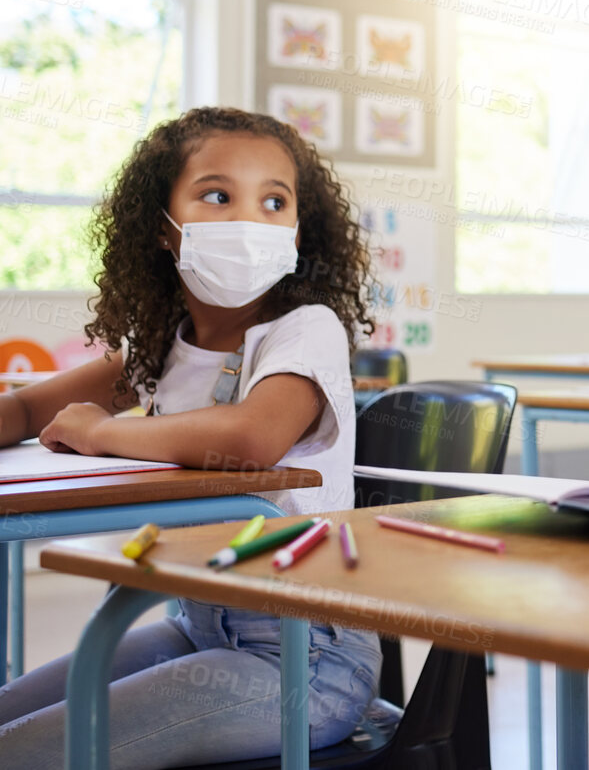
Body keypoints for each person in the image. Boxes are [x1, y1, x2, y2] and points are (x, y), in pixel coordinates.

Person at [0, 107, 381, 767]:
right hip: (201, 629)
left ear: (298, 228)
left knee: (26, 752)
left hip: (307, 660)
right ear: (162, 228)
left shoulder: (306, 327)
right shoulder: (163, 343)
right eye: (216, 194)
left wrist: (102, 432)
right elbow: (29, 409)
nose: (247, 220)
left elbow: (252, 437)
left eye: (274, 200)